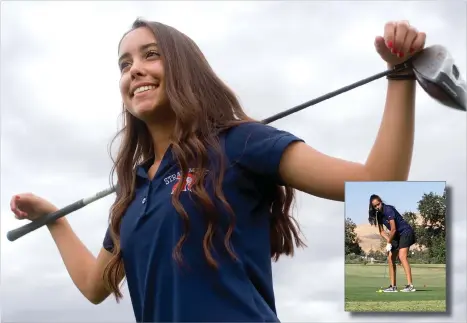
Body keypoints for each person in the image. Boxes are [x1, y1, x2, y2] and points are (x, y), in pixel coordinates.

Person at [10, 18, 426, 322]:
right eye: (124, 63)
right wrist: (53, 221)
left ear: (185, 69)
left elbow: (377, 181)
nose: (133, 69)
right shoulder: (132, 194)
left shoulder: (239, 143)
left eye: (150, 55)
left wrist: (400, 74)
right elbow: (93, 285)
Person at [368, 194, 417, 293]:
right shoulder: (379, 215)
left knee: (402, 256)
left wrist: (389, 241)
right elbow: (382, 232)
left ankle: (410, 285)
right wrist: (388, 241)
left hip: (405, 232)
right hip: (396, 235)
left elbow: (393, 229)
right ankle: (393, 287)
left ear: (381, 202)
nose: (377, 207)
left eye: (378, 204)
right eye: (375, 206)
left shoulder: (388, 209)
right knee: (390, 258)